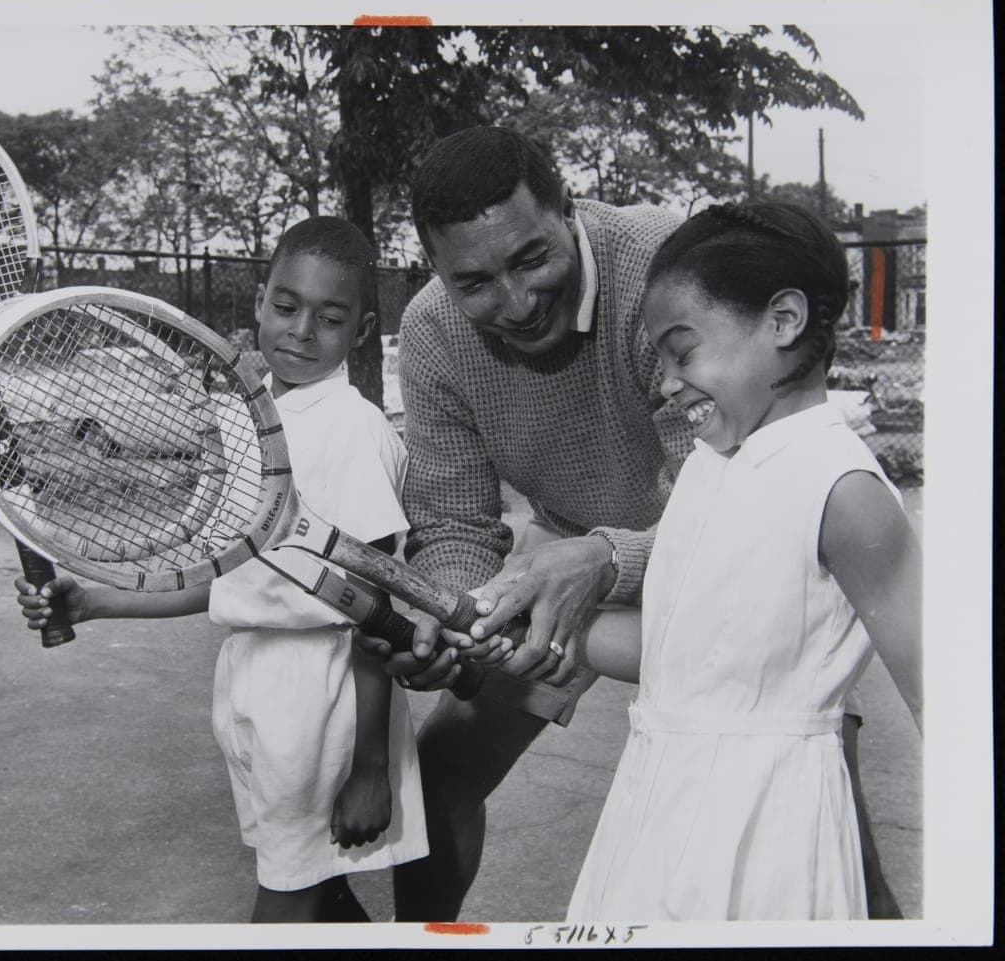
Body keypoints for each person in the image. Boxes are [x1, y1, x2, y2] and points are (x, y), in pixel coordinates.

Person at [359, 126, 900, 919]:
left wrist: (604, 559)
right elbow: (451, 520)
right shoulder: (435, 331)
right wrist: (450, 613)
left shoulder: (665, 272)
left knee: (827, 823)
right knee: (439, 775)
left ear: (567, 209)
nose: (513, 303)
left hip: (739, 568)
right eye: (473, 281)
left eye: (531, 258)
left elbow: (729, 500)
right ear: (437, 273)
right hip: (572, 556)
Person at [15, 216, 428, 923]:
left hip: (321, 695)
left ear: (360, 333)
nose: (301, 330)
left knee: (286, 900)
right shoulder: (252, 419)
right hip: (248, 678)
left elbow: (376, 612)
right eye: (287, 306)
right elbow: (232, 577)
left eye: (329, 318)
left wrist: (367, 768)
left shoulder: (353, 430)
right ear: (259, 302)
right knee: (317, 891)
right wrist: (90, 601)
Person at [521, 200, 922, 920]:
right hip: (654, 809)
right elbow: (685, 654)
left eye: (683, 350)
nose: (667, 382)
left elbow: (948, 701)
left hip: (772, 827)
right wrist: (538, 621)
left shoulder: (843, 487)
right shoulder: (711, 465)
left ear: (784, 320)